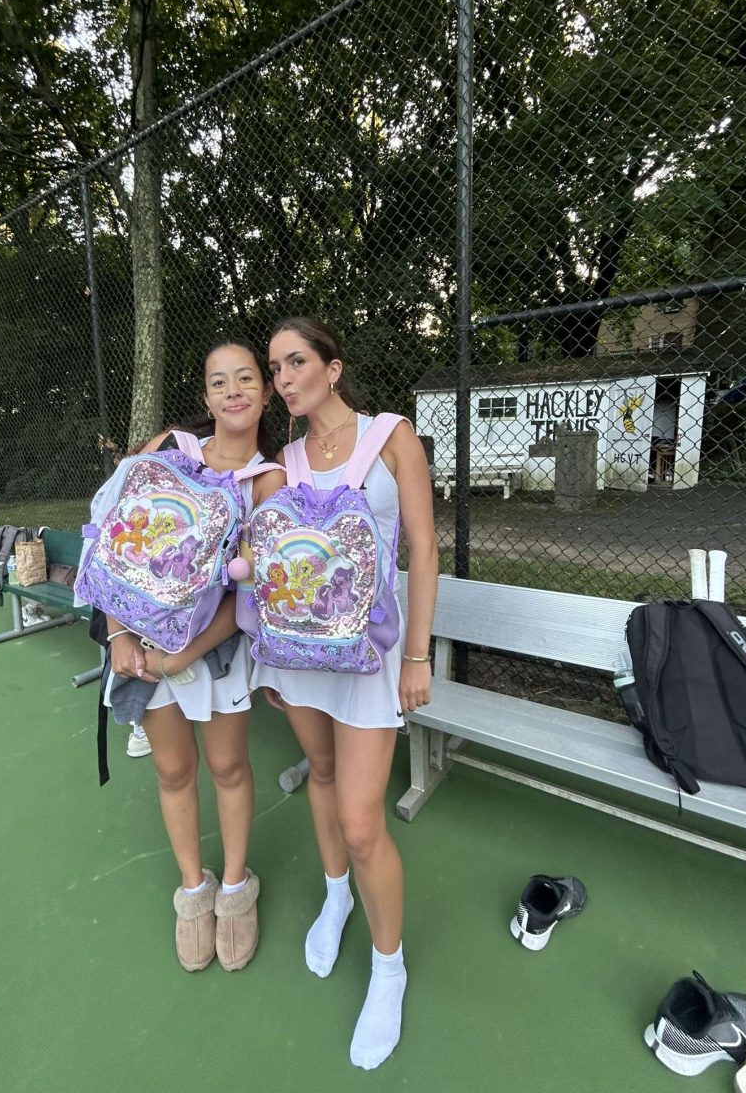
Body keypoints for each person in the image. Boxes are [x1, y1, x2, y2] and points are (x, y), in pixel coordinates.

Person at [251, 317, 438, 1069]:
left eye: (296, 361)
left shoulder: (392, 436)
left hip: (373, 661)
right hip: (298, 658)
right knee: (320, 777)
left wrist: (418, 654)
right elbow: (271, 561)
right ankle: (336, 899)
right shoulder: (285, 459)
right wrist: (268, 660)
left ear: (333, 367)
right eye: (274, 367)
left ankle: (388, 969)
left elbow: (421, 549)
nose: (283, 377)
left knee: (364, 825)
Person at [86, 340, 284, 973]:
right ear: (205, 397)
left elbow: (248, 600)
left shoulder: (269, 480)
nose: (233, 391)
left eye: (246, 378)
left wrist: (180, 655)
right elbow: (114, 543)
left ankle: (234, 889)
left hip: (211, 656)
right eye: (219, 381)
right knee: (173, 772)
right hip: (139, 650)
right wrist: (119, 635)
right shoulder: (169, 449)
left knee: (227, 767)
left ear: (265, 391)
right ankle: (193, 893)